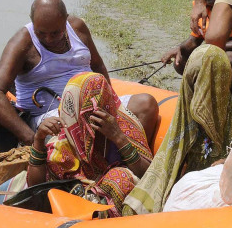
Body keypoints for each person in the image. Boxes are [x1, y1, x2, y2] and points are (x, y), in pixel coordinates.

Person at [122, 44, 232, 215]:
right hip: (191, 201)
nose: (203, 95)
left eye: (208, 86)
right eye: (197, 85)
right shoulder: (186, 119)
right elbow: (164, 169)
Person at [0, 0, 159, 146]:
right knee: (80, 124)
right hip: (51, 116)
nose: (49, 39)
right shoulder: (22, 42)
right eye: (41, 33)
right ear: (32, 21)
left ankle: (132, 162)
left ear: (65, 20)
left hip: (90, 105)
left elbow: (97, 66)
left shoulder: (77, 28)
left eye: (55, 33)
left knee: (146, 104)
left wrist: (109, 102)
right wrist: (31, 139)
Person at [27, 72, 153, 217]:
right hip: (73, 199)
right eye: (87, 111)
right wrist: (38, 140)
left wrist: (119, 138)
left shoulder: (122, 125)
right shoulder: (64, 136)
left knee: (120, 178)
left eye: (100, 106)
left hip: (110, 196)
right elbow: (35, 187)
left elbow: (150, 176)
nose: (92, 116)